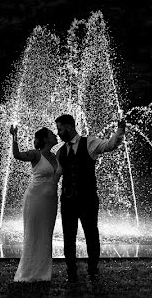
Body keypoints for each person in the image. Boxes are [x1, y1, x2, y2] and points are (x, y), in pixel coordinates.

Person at [54, 114, 126, 283]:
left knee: (91, 235)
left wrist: (120, 131)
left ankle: (93, 270)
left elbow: (110, 145)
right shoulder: (60, 151)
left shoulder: (90, 143)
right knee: (68, 237)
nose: (58, 133)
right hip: (67, 201)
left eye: (60, 128)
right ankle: (71, 272)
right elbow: (55, 176)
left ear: (70, 127)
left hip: (88, 200)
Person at [10, 125, 61, 282]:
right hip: (35, 199)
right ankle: (28, 272)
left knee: (46, 234)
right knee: (33, 233)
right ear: (46, 139)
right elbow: (17, 155)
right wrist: (14, 136)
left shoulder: (57, 155)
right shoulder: (36, 155)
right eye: (52, 134)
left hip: (51, 200)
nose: (55, 135)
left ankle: (43, 272)